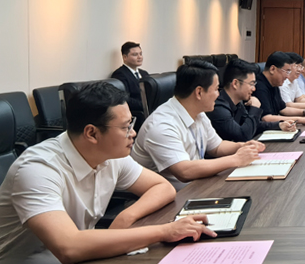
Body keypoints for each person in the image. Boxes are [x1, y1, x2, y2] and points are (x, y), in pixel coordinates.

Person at [0, 82, 216, 264]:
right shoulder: (38, 169)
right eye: (125, 127)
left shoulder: (110, 154)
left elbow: (162, 187)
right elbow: (68, 247)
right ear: (92, 133)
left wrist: (125, 217)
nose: (133, 133)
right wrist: (165, 231)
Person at [131, 60, 265, 188]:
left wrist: (242, 146)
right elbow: (185, 171)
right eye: (216, 89)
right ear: (199, 92)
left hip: (196, 186)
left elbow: (217, 147)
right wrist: (236, 159)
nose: (218, 94)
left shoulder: (199, 113)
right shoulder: (162, 125)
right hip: (170, 197)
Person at [207, 58, 295, 141]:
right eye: (251, 84)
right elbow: (243, 135)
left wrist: (279, 125)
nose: (254, 89)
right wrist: (254, 108)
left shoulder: (238, 103)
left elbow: (252, 125)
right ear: (235, 83)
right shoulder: (218, 107)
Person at [253, 51, 305, 126]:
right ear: (272, 69)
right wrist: (301, 120)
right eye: (287, 71)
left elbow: (283, 109)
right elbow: (266, 118)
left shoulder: (274, 83)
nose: (287, 76)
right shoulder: (259, 86)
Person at [111, 41, 149, 132]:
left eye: (140, 54)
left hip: (150, 111)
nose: (139, 57)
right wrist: (145, 105)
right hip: (137, 115)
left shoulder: (144, 73)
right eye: (135, 55)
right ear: (125, 57)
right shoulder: (120, 74)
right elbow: (125, 99)